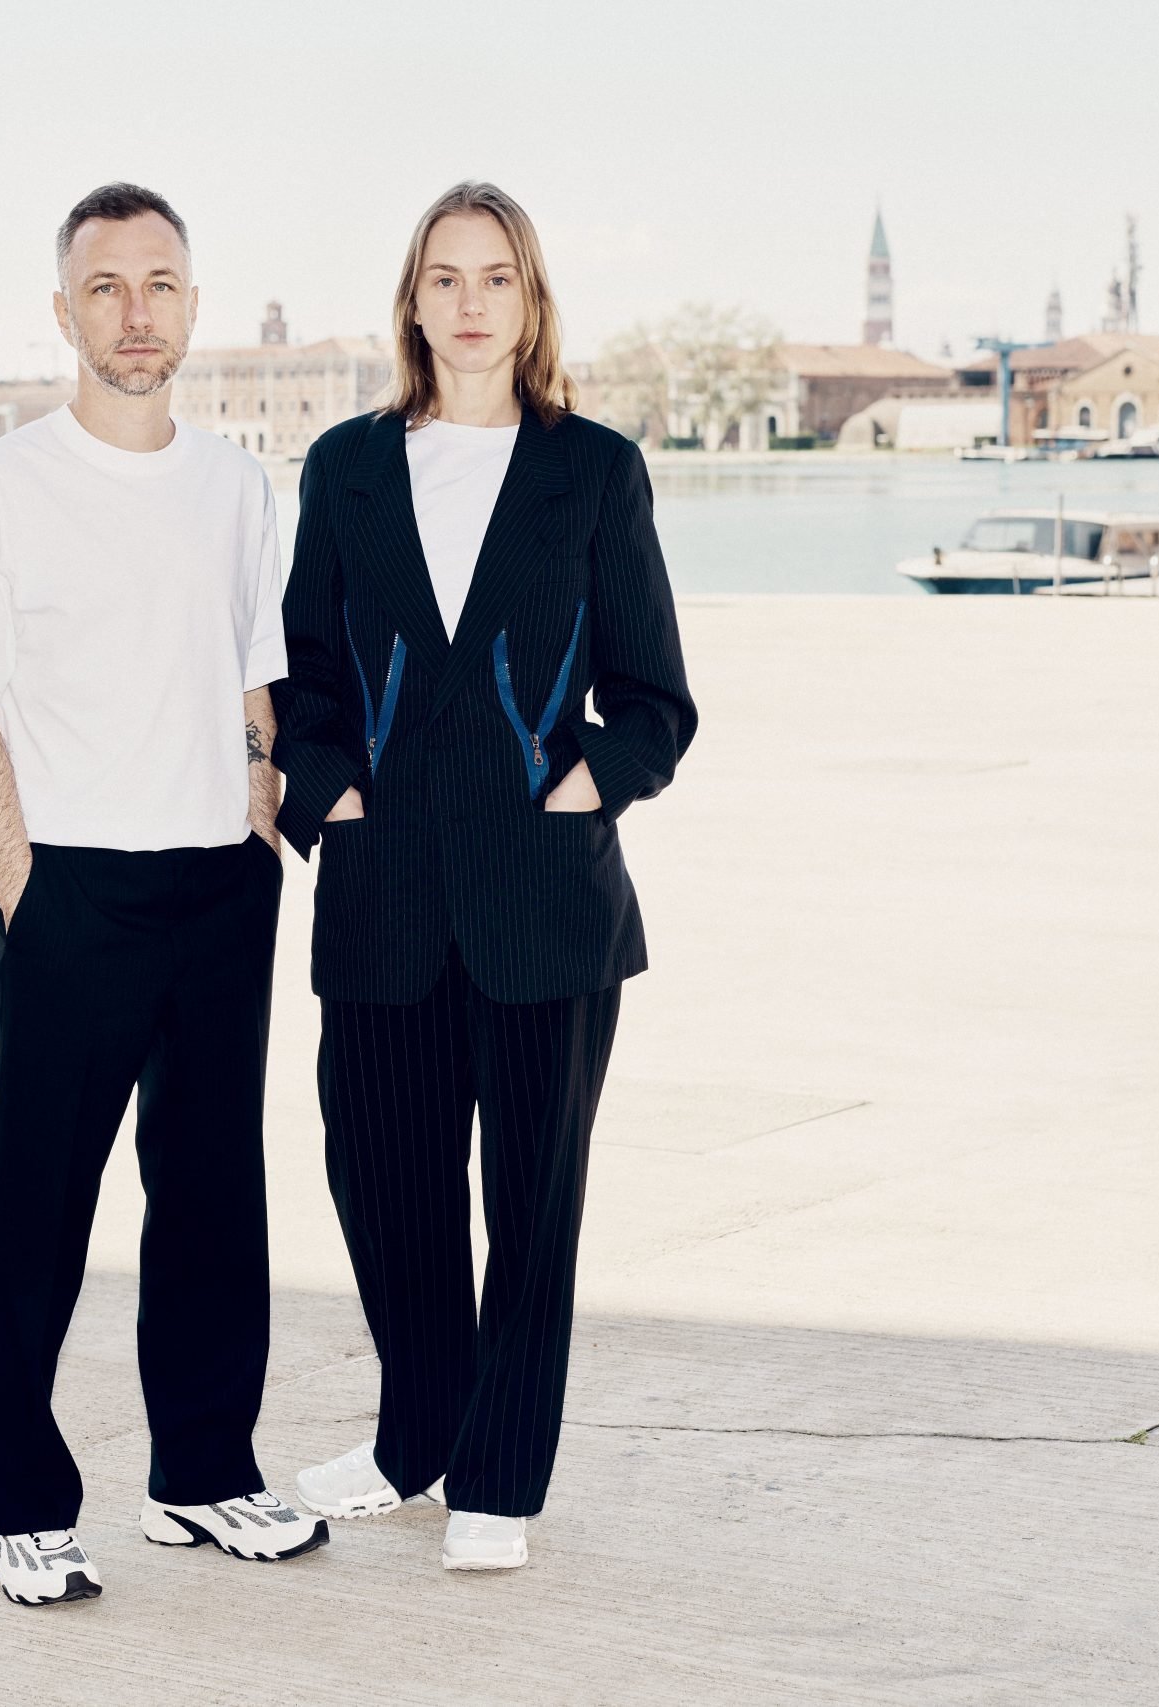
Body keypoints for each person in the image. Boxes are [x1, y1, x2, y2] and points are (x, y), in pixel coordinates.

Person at [0, 182, 329, 1609]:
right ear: (64, 311)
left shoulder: (234, 486)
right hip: (73, 888)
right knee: (38, 1208)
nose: (135, 313)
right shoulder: (0, 488)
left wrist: (261, 803)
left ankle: (204, 1474)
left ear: (193, 306)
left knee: (214, 1196)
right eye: (107, 287)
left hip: (221, 883)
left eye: (160, 285)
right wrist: (25, 890)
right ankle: (19, 1504)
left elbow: (254, 663)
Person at [271, 182, 697, 1572]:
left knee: (532, 1203)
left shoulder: (596, 470)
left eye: (497, 278)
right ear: (411, 303)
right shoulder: (343, 468)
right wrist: (328, 802)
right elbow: (309, 678)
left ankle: (497, 1479)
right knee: (385, 1189)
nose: (469, 302)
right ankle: (413, 1442)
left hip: (545, 908)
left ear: (531, 303)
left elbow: (654, 699)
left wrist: (585, 787)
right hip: (382, 896)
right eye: (445, 277)